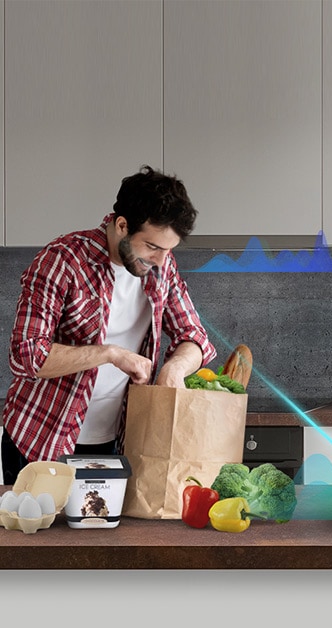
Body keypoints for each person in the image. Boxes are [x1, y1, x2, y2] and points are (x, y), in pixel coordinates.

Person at [1, 165, 216, 485]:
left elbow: (194, 337)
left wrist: (176, 367)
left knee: (104, 537)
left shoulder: (162, 266)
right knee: (45, 533)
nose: (161, 260)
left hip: (115, 444)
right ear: (121, 225)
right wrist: (111, 353)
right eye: (153, 246)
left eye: (168, 250)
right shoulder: (62, 260)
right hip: (41, 440)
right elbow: (26, 354)